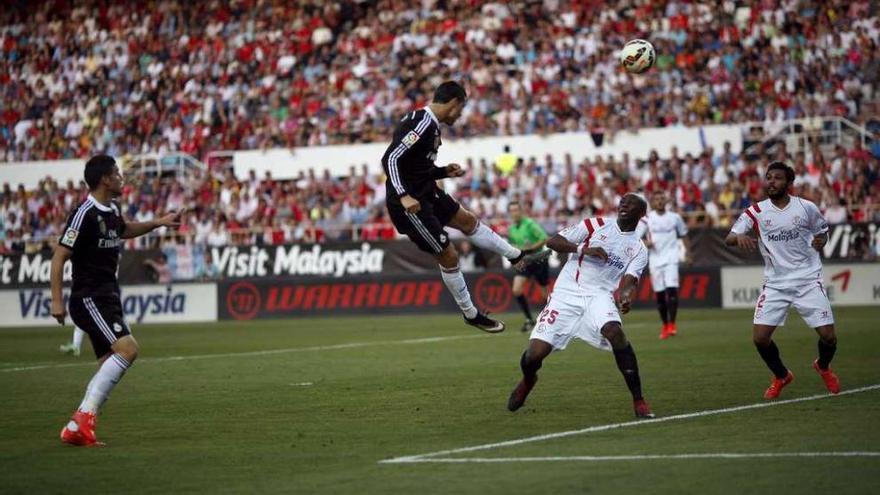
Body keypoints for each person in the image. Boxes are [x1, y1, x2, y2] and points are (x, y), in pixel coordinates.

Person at [382, 81, 546, 333]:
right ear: (453, 103)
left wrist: (442, 171)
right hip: (409, 204)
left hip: (426, 190)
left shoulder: (429, 125)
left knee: (467, 220)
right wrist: (403, 195)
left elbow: (414, 166)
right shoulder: (422, 123)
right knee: (448, 254)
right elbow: (390, 158)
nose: (460, 115)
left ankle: (518, 257)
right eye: (461, 108)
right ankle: (470, 313)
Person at [50, 154, 182, 446]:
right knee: (128, 349)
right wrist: (56, 300)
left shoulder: (111, 210)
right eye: (117, 173)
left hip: (107, 297)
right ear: (104, 180)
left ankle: (78, 427)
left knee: (110, 361)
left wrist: (159, 222)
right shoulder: (84, 213)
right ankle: (82, 419)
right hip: (89, 297)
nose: (122, 177)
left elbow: (124, 230)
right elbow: (59, 256)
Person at [507, 194, 655, 419]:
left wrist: (625, 296)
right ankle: (528, 380)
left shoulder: (638, 249)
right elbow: (553, 241)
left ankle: (639, 400)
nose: (624, 205)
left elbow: (630, 280)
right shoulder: (595, 224)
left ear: (641, 213)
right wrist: (583, 250)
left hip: (599, 296)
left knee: (615, 333)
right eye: (623, 201)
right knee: (535, 354)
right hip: (566, 294)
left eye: (631, 203)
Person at [725, 161, 840, 400]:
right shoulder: (756, 211)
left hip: (808, 279)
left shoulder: (806, 208)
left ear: (789, 183)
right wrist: (740, 238)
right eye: (768, 178)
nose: (771, 182)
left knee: (829, 337)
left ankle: (823, 366)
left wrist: (821, 241)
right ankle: (781, 375)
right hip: (776, 283)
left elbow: (822, 231)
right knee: (760, 338)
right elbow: (729, 237)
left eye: (777, 178)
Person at [636, 191, 690, 339]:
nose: (659, 201)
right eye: (656, 199)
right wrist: (646, 242)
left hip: (672, 258)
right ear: (652, 203)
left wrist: (689, 255)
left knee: (672, 291)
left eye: (661, 199)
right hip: (655, 260)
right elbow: (636, 237)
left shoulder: (675, 217)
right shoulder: (647, 220)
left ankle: (672, 324)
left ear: (666, 201)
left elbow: (684, 234)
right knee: (660, 295)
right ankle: (665, 325)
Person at [506, 203, 550, 332]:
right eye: (512, 211)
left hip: (538, 259)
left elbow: (544, 238)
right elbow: (513, 243)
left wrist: (529, 248)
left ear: (521, 211)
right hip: (524, 261)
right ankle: (529, 320)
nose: (514, 213)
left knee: (544, 294)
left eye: (516, 210)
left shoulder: (530, 224)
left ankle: (551, 319)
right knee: (516, 289)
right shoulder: (511, 228)